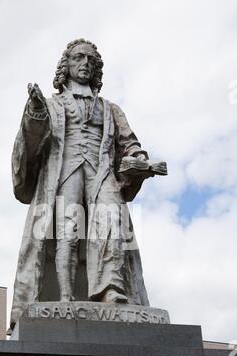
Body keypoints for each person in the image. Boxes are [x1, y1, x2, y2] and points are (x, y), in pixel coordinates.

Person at [10, 38, 162, 328]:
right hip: (65, 170)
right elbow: (31, 141)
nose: (85, 64)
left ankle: (111, 290)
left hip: (101, 170)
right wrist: (36, 113)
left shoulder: (110, 109)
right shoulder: (53, 105)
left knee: (112, 223)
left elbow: (130, 143)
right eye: (79, 58)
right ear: (66, 66)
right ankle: (65, 296)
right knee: (66, 230)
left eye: (91, 61)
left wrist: (138, 158)